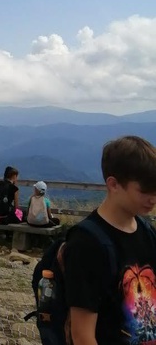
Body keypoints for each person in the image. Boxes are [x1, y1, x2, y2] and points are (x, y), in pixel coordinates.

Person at [64, 135, 156, 345]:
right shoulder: (86, 244)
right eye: (144, 191)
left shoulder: (146, 231)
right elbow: (82, 335)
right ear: (113, 184)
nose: (153, 199)